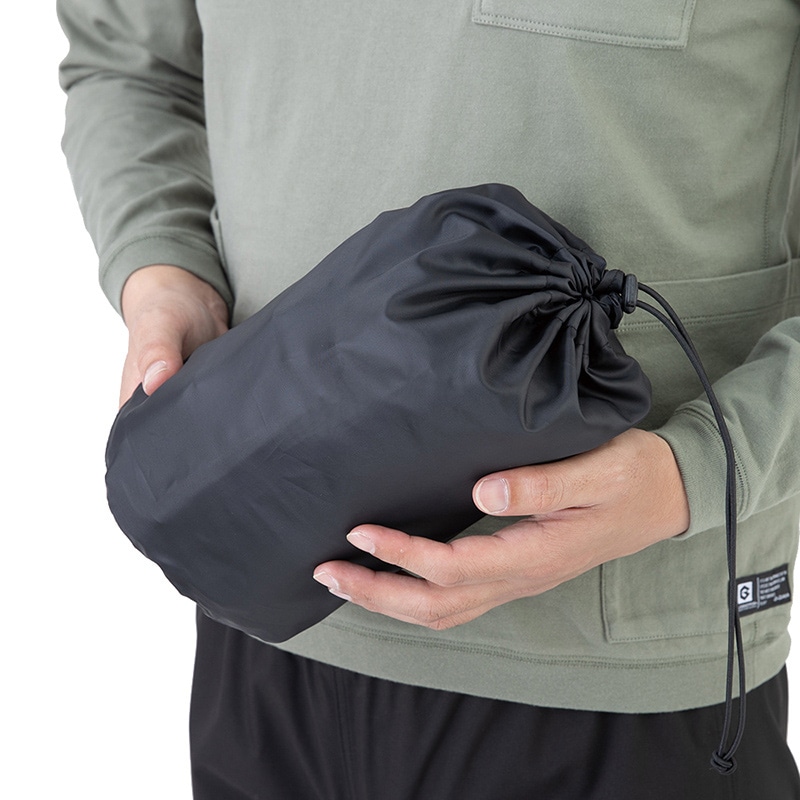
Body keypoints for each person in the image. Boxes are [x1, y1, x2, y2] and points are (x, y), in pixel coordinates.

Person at [58, 1, 800, 797]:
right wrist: (163, 266)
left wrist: (697, 472)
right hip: (264, 607)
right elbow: (131, 60)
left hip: (624, 668)